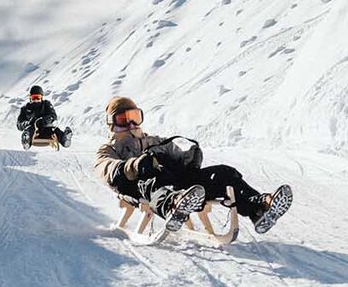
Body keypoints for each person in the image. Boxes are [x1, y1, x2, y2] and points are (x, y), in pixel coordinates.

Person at [94, 95, 292, 234]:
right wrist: (134, 166)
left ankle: (258, 208)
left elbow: (179, 158)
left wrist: (190, 158)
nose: (131, 125)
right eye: (123, 119)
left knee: (224, 173)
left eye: (134, 117)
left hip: (184, 187)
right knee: (153, 180)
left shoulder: (155, 141)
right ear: (111, 123)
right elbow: (107, 171)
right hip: (146, 188)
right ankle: (173, 206)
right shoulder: (109, 149)